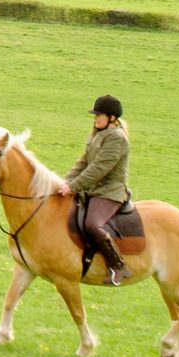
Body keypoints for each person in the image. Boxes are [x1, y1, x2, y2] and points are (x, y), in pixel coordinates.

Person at [58, 94, 133, 284]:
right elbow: (82, 163)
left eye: (99, 115)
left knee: (92, 224)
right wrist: (63, 183)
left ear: (112, 118)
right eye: (95, 114)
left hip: (110, 192)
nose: (95, 118)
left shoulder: (117, 138)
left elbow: (98, 169)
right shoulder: (97, 134)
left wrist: (73, 186)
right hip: (93, 190)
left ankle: (118, 266)